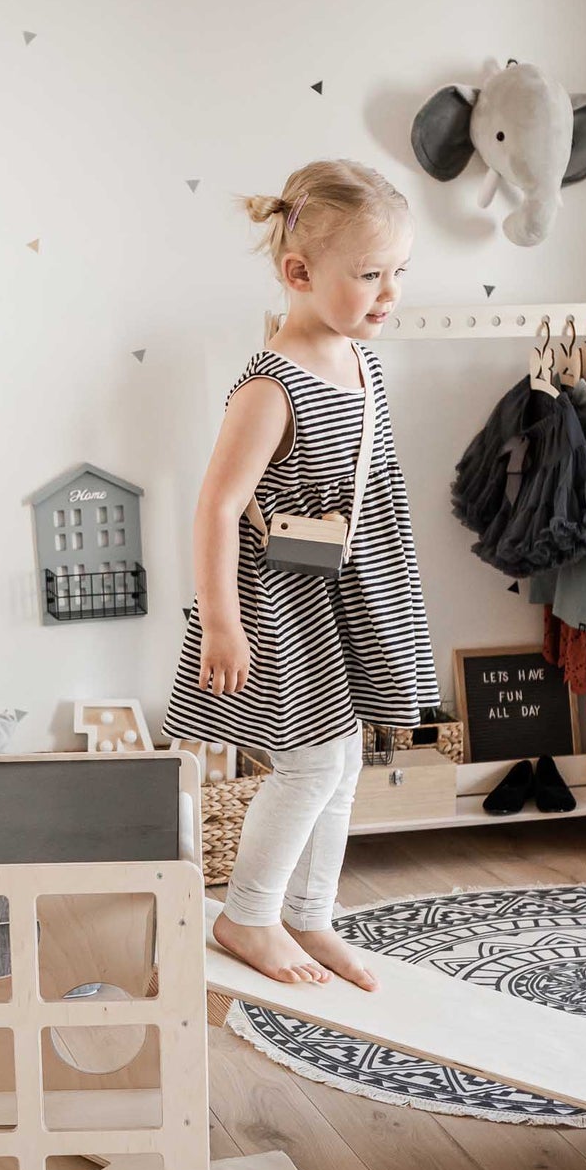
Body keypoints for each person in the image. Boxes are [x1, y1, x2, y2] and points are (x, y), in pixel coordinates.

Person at [162, 159, 438, 990]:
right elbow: (215, 507)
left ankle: (311, 912)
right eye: (369, 275)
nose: (389, 292)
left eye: (398, 273)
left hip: (343, 585)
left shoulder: (363, 364)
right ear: (298, 273)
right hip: (279, 601)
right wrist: (220, 621)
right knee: (310, 762)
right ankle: (246, 914)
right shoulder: (270, 385)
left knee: (345, 757)